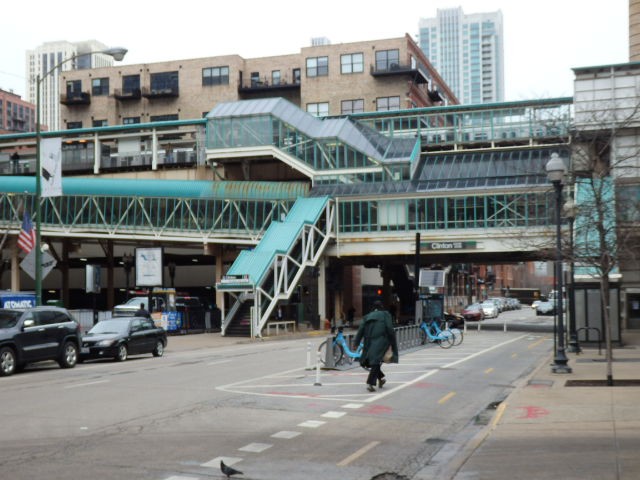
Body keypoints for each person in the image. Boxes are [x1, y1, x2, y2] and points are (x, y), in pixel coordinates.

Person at [353, 301, 399, 392]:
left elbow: (360, 330)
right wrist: (392, 341)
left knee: (372, 361)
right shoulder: (386, 315)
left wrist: (356, 343)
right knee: (375, 362)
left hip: (369, 341)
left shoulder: (367, 316)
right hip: (382, 341)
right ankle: (370, 383)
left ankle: (381, 379)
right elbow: (390, 329)